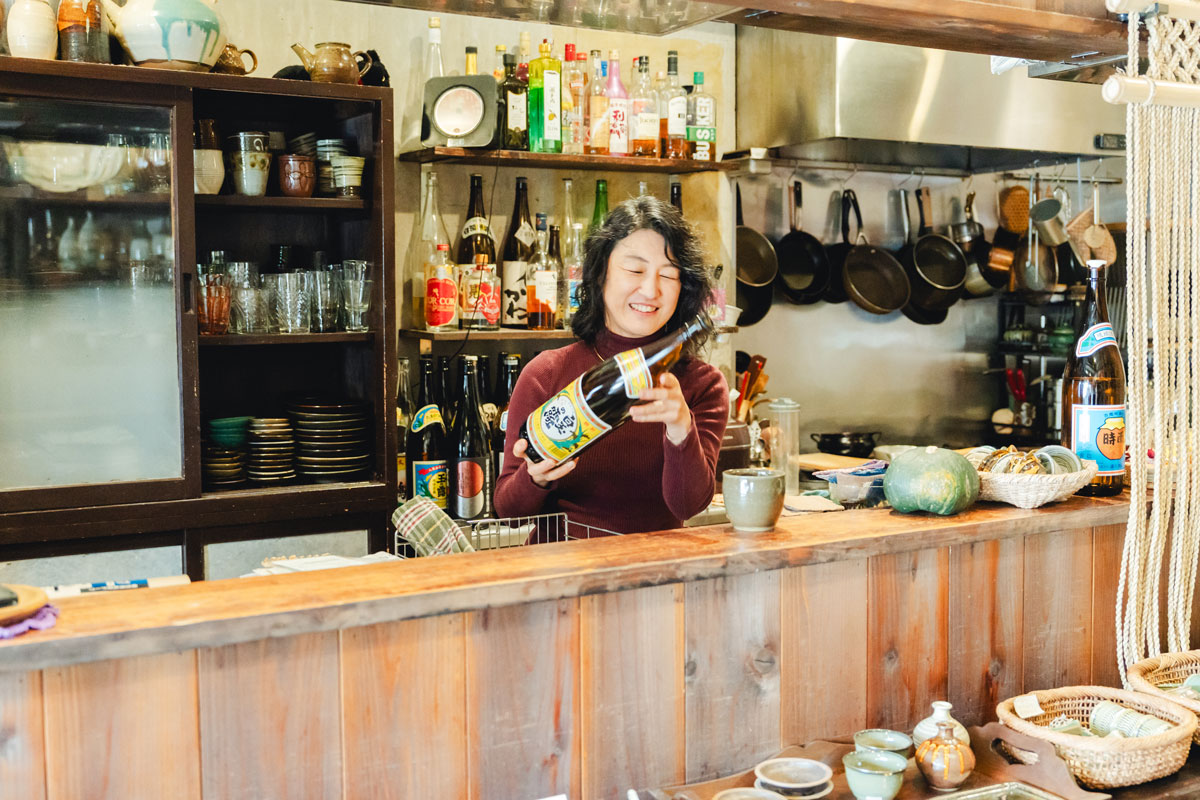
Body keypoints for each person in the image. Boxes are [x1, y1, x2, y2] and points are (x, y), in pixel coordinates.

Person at [494, 196, 728, 534]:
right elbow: (507, 511)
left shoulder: (700, 384)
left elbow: (688, 505)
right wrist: (535, 478)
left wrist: (680, 427)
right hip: (562, 575)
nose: (650, 290)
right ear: (601, 274)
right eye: (635, 270)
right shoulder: (546, 373)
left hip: (655, 576)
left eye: (669, 275)